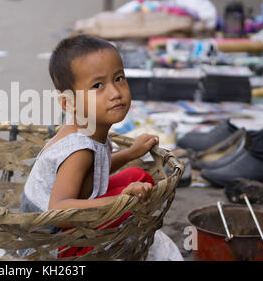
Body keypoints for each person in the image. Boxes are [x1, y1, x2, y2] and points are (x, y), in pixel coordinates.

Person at [19, 35, 160, 259]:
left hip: (68, 220)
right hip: (51, 243)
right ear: (69, 103)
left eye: (119, 78)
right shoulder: (78, 150)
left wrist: (131, 153)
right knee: (131, 201)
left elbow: (95, 170)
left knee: (138, 177)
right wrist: (120, 199)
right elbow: (57, 209)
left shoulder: (93, 129)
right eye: (98, 85)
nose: (115, 92)